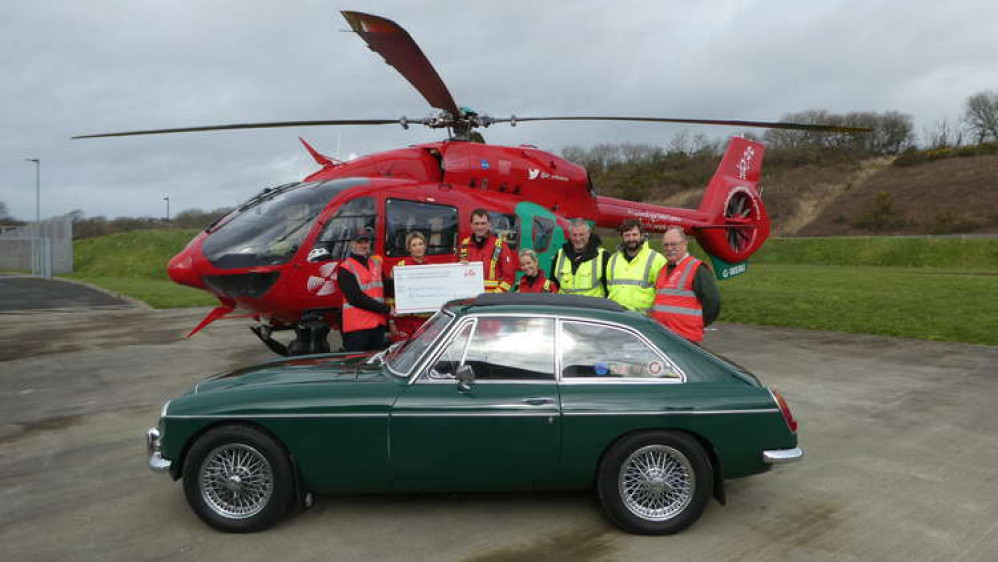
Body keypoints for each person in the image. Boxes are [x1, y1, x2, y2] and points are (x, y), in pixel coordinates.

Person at [651, 226, 721, 344]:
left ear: (684, 244)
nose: (669, 248)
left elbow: (712, 302)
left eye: (674, 244)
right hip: (663, 336)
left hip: (686, 338)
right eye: (666, 245)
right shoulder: (663, 270)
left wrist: (697, 323)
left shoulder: (697, 268)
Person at [337, 227, 390, 351]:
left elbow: (387, 288)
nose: (363, 245)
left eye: (366, 241)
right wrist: (385, 309)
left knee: (374, 367)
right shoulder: (345, 268)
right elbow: (355, 298)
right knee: (356, 366)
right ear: (352, 244)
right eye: (359, 242)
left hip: (378, 326)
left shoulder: (376, 264)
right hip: (357, 329)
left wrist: (401, 279)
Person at [606, 220, 666, 312]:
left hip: (643, 319)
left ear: (642, 235)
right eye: (627, 235)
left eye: (634, 235)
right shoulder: (613, 260)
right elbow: (610, 287)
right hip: (616, 316)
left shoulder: (657, 259)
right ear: (622, 237)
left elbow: (663, 294)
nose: (631, 239)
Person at [387, 231, 435, 341]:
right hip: (404, 323)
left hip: (426, 321)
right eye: (414, 245)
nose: (418, 248)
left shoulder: (432, 268)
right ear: (409, 249)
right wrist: (391, 322)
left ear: (425, 246)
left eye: (420, 244)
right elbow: (391, 297)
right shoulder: (399, 268)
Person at [458, 208, 515, 293]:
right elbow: (454, 274)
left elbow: (509, 278)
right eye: (476, 223)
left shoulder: (500, 246)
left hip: (491, 302)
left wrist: (495, 295)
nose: (480, 227)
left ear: (489, 224)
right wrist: (458, 267)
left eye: (483, 223)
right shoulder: (463, 245)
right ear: (471, 225)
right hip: (468, 298)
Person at [550, 218, 609, 297]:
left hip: (592, 308)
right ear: (570, 236)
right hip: (565, 307)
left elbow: (609, 288)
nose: (578, 239)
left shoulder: (603, 256)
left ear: (588, 234)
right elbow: (553, 284)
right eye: (574, 235)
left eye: (581, 235)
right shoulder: (560, 255)